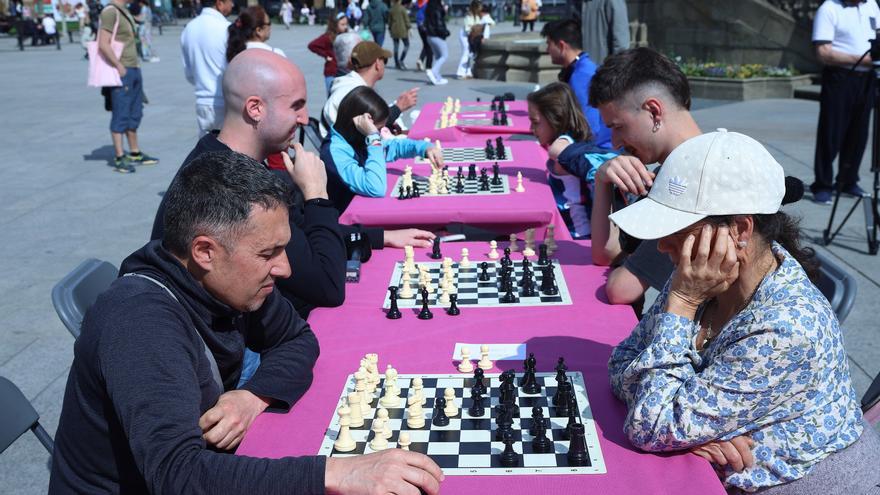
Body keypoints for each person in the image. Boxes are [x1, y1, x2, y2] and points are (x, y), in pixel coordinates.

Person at [50, 150, 445, 494]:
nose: (286, 268)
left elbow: (298, 338)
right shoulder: (140, 323)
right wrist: (337, 472)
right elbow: (177, 476)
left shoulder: (227, 281)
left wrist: (252, 397)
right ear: (205, 251)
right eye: (268, 252)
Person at [607, 129, 880, 493]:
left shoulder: (786, 328)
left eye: (675, 227)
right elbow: (621, 363)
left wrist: (672, 419)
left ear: (739, 229)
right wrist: (685, 432)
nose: (660, 244)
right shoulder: (701, 276)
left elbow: (649, 424)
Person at [151, 50, 435, 319]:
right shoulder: (228, 185)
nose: (303, 118)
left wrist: (380, 237)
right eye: (296, 106)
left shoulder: (227, 159)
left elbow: (300, 229)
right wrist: (316, 195)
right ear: (255, 109)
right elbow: (327, 286)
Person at [321, 86, 444, 212]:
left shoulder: (355, 138)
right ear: (359, 126)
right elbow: (375, 187)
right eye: (377, 130)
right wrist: (373, 137)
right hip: (346, 221)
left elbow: (392, 148)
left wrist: (424, 147)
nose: (379, 135)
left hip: (368, 211)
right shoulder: (334, 151)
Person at [810, 0, 880, 204]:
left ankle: (848, 180)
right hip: (841, 78)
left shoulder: (872, 6)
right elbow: (823, 52)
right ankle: (823, 184)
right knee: (831, 133)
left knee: (858, 134)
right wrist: (864, 59)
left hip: (867, 80)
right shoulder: (829, 9)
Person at [527, 82, 617, 239]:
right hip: (571, 228)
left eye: (535, 122)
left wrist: (554, 150)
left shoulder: (562, 146)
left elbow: (558, 150)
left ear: (554, 118)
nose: (530, 129)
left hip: (576, 233)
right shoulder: (573, 140)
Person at [98, 0, 159, 173]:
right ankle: (119, 156)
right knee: (121, 112)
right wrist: (118, 66)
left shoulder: (122, 10)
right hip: (122, 70)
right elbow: (103, 42)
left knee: (135, 111)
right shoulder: (110, 11)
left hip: (134, 68)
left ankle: (134, 152)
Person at [320, 40, 420, 137]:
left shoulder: (348, 84)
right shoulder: (355, 90)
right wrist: (398, 107)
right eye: (384, 60)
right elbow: (367, 127)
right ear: (377, 63)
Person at [541, 18, 611, 149]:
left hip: (599, 152)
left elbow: (590, 129)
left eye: (549, 43)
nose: (547, 49)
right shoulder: (583, 67)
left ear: (561, 45)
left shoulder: (582, 76)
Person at [180, 0, 233, 135]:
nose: (232, 5)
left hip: (202, 101)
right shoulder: (227, 28)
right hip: (226, 101)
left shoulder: (189, 28)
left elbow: (189, 72)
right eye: (230, 1)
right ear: (219, 3)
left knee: (206, 150)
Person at [308, 12, 349, 95]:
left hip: (345, 72)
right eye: (342, 24)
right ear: (335, 24)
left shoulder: (347, 35)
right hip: (332, 72)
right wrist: (326, 55)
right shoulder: (328, 37)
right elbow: (312, 45)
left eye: (346, 24)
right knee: (332, 96)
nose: (345, 27)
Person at [423, 0, 448, 85]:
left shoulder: (428, 7)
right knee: (444, 55)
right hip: (437, 35)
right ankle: (433, 71)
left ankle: (437, 77)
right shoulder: (437, 8)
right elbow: (439, 23)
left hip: (429, 35)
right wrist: (445, 33)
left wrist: (443, 11)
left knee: (438, 56)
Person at [456, 0, 480, 80]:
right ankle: (460, 72)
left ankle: (468, 72)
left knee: (469, 53)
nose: (480, 9)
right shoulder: (468, 16)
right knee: (466, 51)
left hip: (471, 35)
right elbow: (467, 29)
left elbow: (478, 26)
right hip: (464, 36)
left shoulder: (477, 16)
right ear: (475, 7)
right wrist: (475, 28)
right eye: (479, 7)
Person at [388, 0, 411, 69]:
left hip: (394, 30)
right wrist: (409, 28)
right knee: (407, 45)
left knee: (396, 47)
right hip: (403, 30)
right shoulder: (402, 9)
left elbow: (389, 21)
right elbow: (406, 19)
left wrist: (390, 29)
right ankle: (401, 59)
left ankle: (396, 63)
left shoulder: (391, 10)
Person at [414, 0, 432, 72]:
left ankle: (421, 60)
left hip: (419, 25)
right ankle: (424, 62)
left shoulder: (418, 3)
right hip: (425, 25)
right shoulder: (427, 3)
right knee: (428, 45)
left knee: (425, 44)